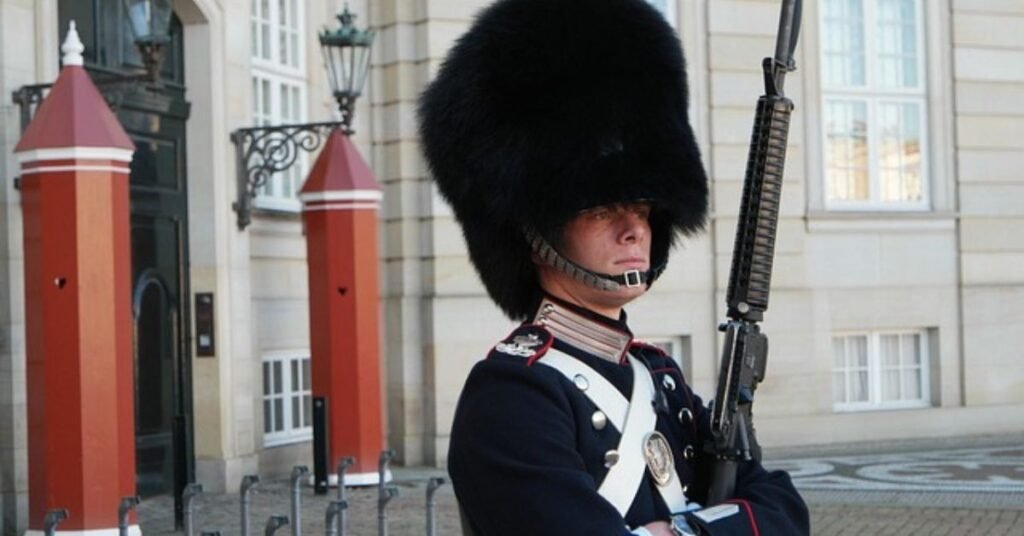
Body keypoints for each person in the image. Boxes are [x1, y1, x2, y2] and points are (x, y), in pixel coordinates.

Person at [417, 0, 810, 534]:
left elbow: (783, 508)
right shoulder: (511, 396)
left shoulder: (660, 378)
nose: (635, 230)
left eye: (644, 209)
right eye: (602, 210)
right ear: (535, 237)